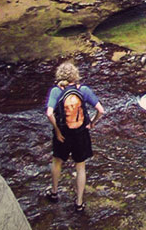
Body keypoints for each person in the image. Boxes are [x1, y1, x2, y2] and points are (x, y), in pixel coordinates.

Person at [45, 61, 105, 212]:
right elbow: (101, 110)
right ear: (75, 75)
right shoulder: (83, 90)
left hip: (63, 134)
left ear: (59, 76)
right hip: (80, 133)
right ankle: (79, 203)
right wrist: (92, 123)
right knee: (80, 166)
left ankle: (54, 193)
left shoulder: (56, 91)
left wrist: (57, 131)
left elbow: (49, 113)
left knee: (57, 162)